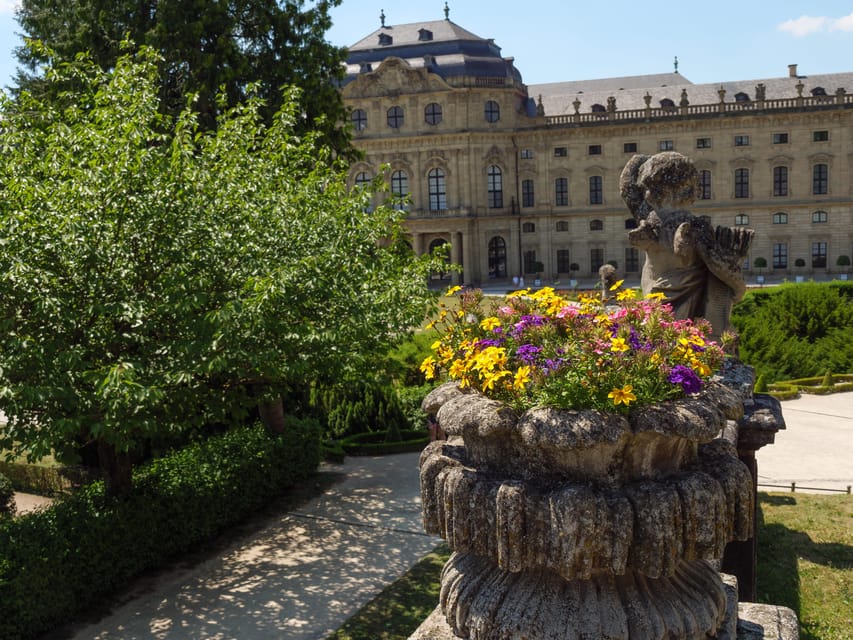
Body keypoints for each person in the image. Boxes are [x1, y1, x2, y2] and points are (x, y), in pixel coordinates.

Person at [619, 152, 753, 339]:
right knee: (681, 347)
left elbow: (627, 189)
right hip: (684, 307)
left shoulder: (650, 219)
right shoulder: (696, 227)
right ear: (690, 190)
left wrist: (639, 160)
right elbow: (719, 267)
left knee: (655, 344)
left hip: (654, 297)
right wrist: (739, 289)